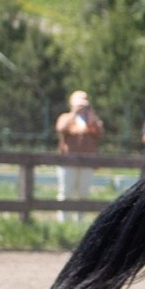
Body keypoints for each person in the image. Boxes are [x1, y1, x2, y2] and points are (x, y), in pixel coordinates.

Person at [55, 89, 105, 222]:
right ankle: (63, 221)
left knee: (83, 193)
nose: (82, 108)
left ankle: (79, 221)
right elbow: (61, 128)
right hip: (68, 162)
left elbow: (99, 133)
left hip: (87, 162)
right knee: (66, 192)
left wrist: (92, 115)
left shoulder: (91, 121)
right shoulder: (66, 117)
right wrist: (74, 114)